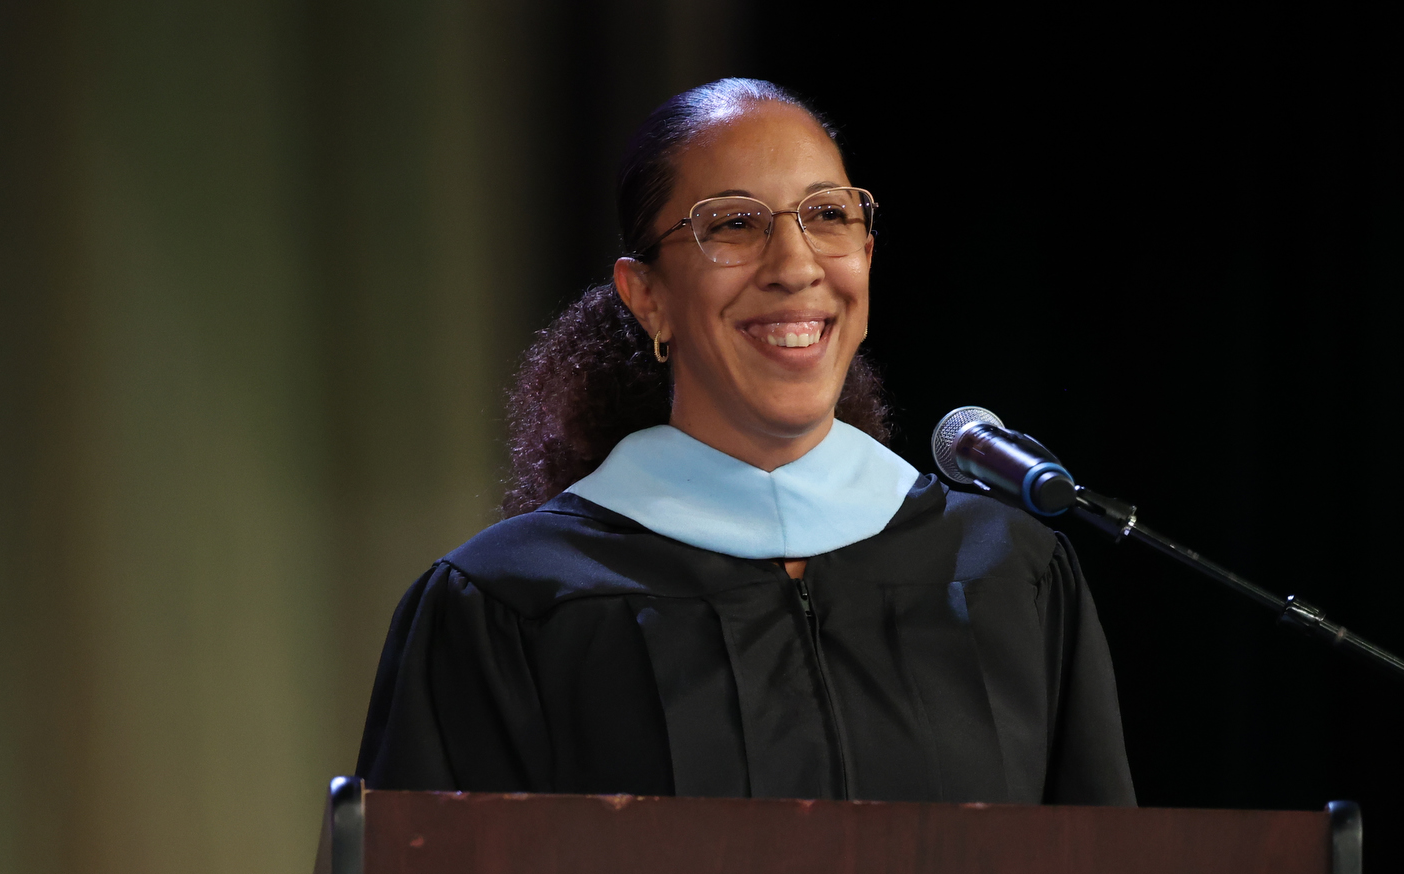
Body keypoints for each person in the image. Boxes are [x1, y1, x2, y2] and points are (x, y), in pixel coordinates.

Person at [356, 79, 1132, 804]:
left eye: (828, 216)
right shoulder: (511, 604)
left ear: (865, 256)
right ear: (647, 297)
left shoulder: (1009, 574)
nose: (795, 266)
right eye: (733, 224)